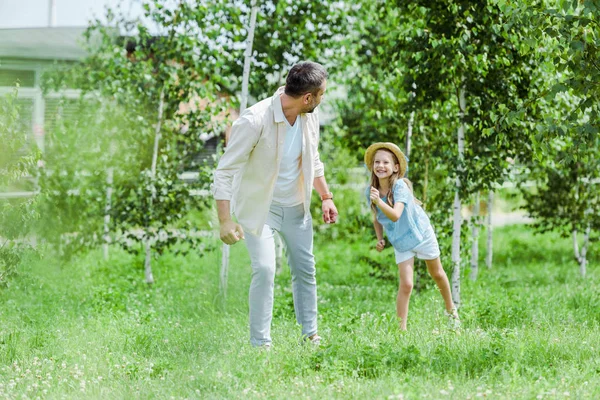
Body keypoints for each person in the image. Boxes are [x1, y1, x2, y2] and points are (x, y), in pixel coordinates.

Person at [212, 61, 338, 348]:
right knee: (266, 269)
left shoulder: (309, 118)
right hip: (261, 209)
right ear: (308, 98)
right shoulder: (254, 120)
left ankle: (310, 335)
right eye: (321, 94)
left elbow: (313, 159)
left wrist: (326, 196)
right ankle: (261, 344)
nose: (322, 99)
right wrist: (224, 220)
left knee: (306, 269)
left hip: (296, 208)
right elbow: (225, 171)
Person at [364, 142, 459, 330]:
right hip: (401, 241)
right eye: (377, 162)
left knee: (437, 274)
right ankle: (401, 330)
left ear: (395, 168)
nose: (380, 166)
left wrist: (378, 201)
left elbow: (395, 214)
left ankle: (452, 312)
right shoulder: (372, 191)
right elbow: (377, 217)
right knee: (406, 284)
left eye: (385, 162)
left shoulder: (400, 187)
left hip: (420, 234)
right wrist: (379, 238)